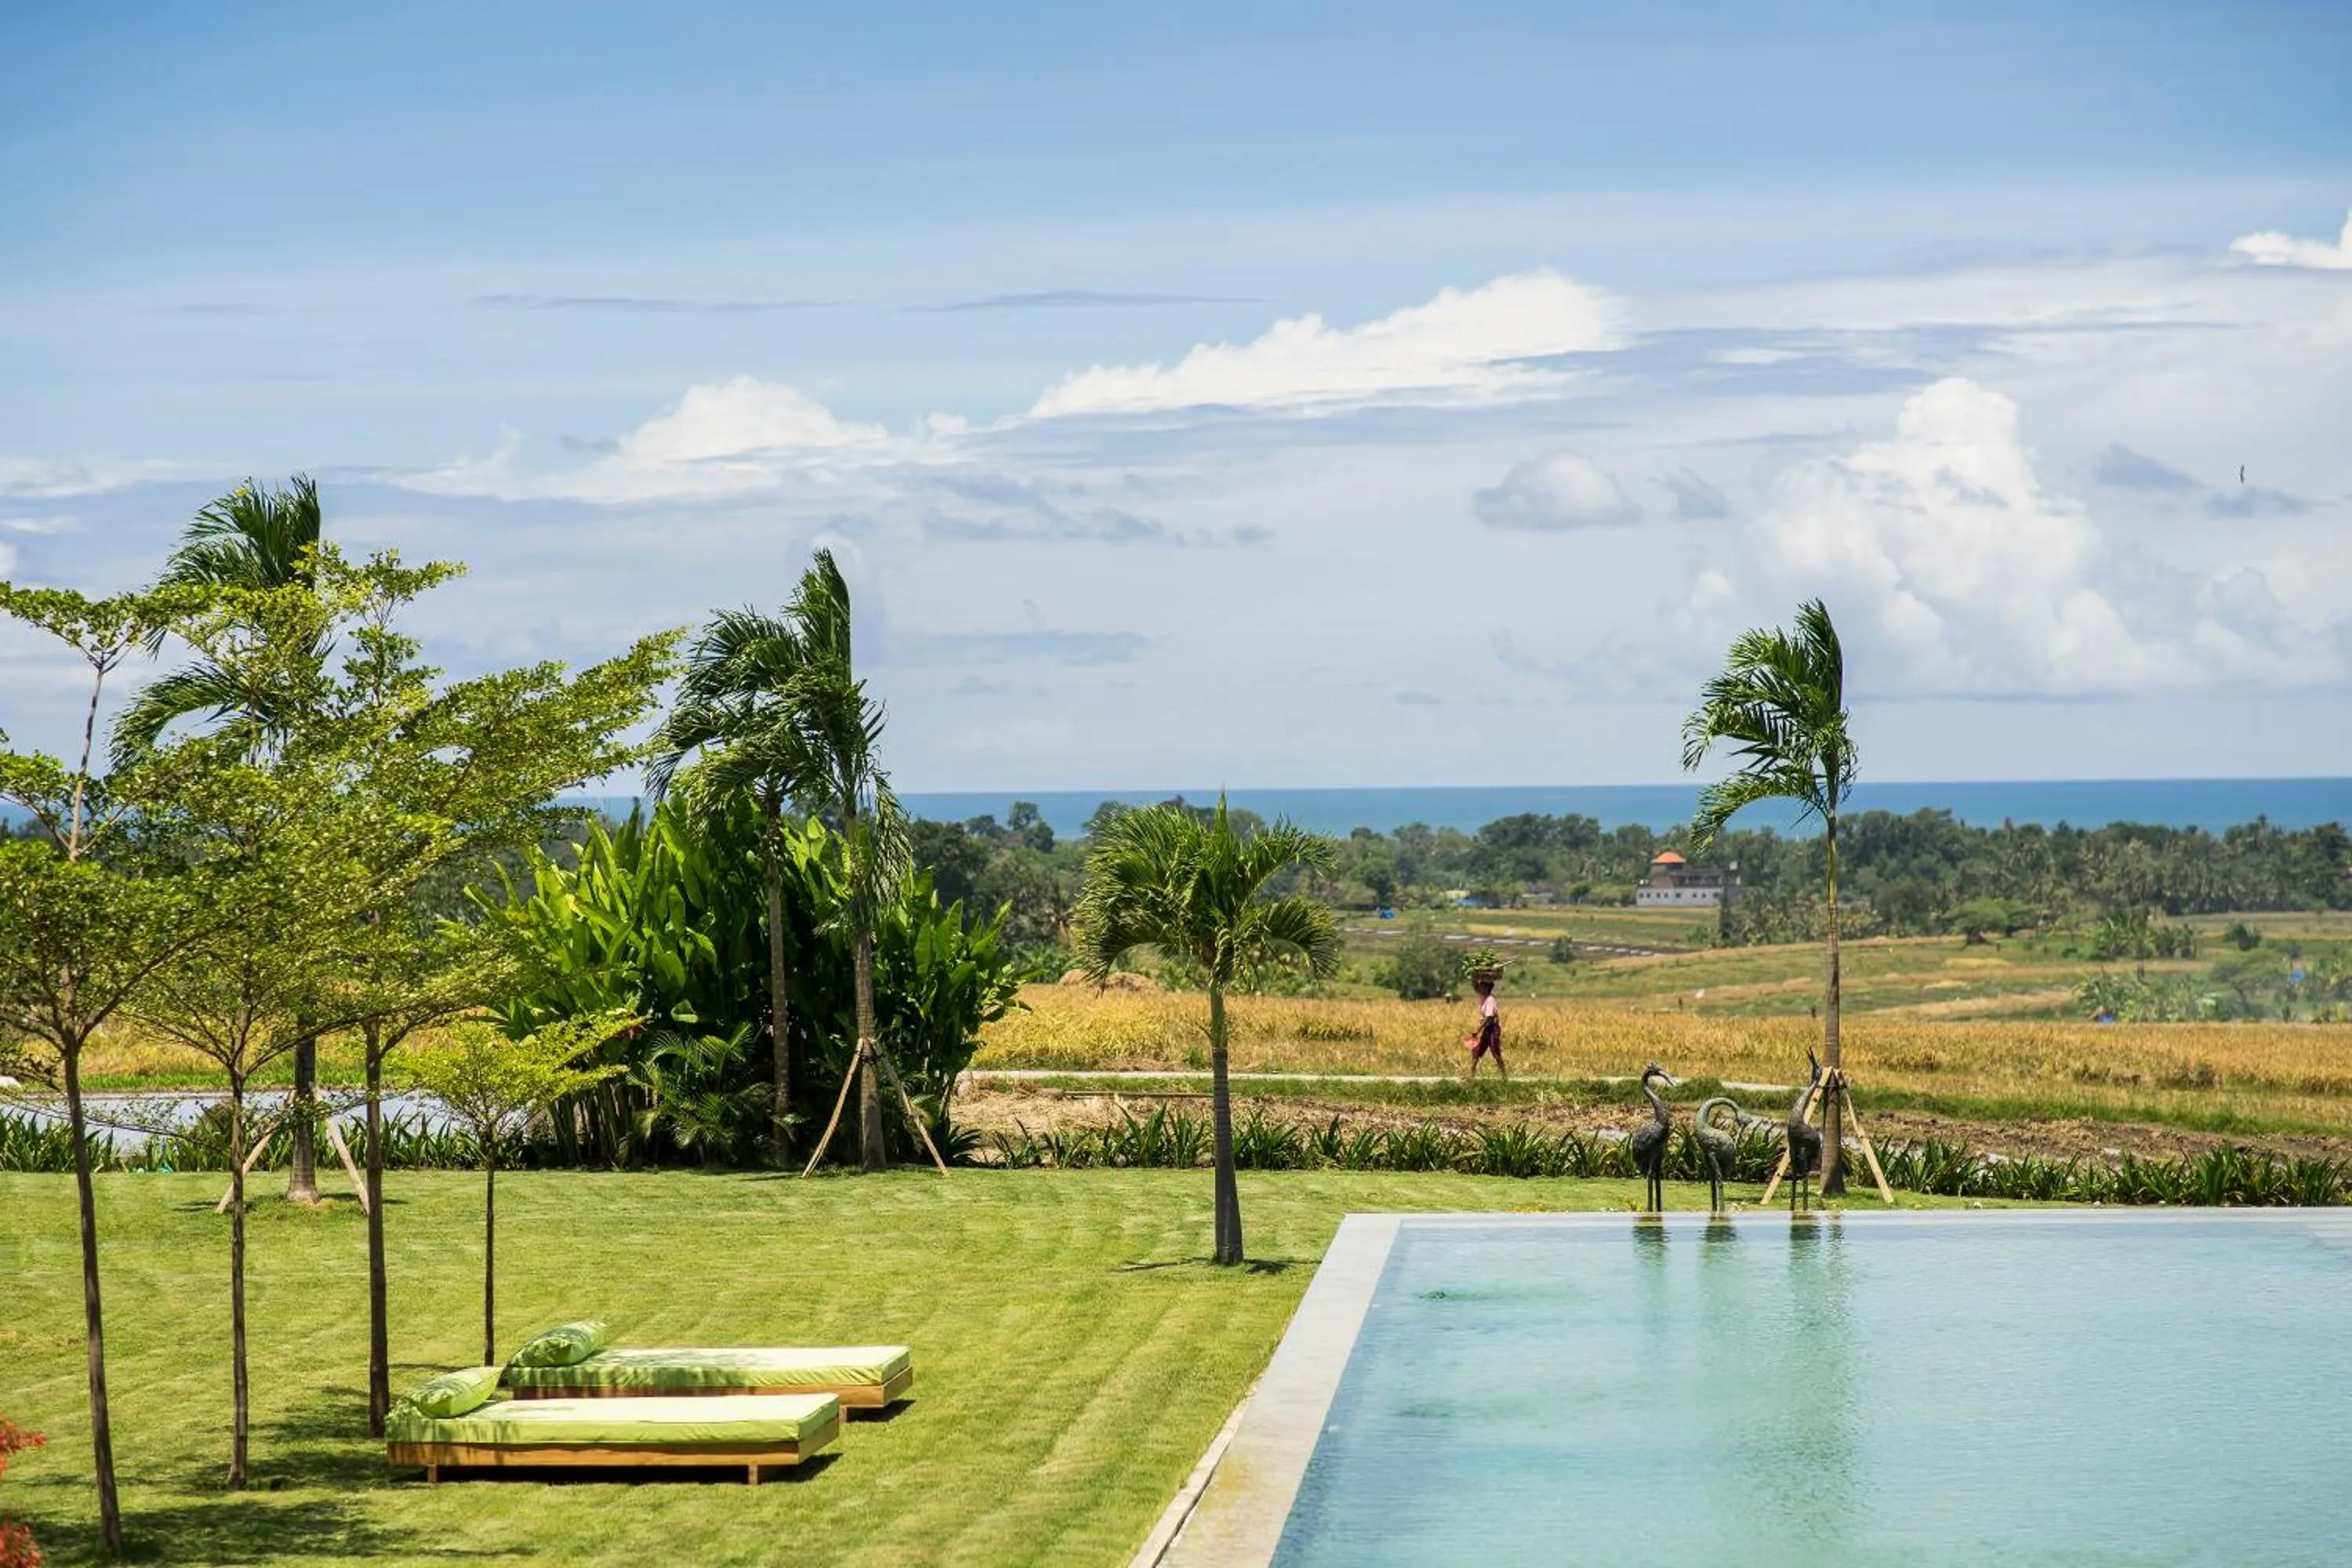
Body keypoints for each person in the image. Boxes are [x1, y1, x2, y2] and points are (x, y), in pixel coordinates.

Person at [1462, 974, 1505, 1080]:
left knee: (1496, 1053)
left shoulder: (1490, 1000)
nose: (1479, 988)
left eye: (1482, 986)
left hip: (1493, 1029)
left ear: (1486, 988)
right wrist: (1473, 975)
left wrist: (1478, 1030)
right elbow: (1475, 987)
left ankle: (1504, 1076)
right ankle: (1471, 1076)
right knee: (1477, 1052)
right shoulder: (1483, 998)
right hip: (1487, 1029)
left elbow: (1488, 1018)